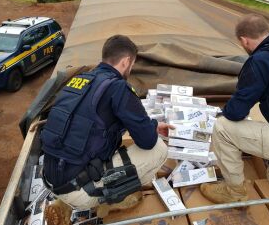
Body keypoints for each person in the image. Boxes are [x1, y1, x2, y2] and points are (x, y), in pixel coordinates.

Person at [41, 35, 173, 225]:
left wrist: (150, 125)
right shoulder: (118, 87)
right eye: (132, 64)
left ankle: (63, 204)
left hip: (53, 178)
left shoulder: (80, 81)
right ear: (127, 61)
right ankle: (112, 200)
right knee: (159, 149)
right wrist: (151, 128)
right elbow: (147, 140)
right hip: (80, 190)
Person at [200, 14, 269, 204]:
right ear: (268, 31)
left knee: (223, 128)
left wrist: (222, 113)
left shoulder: (261, 60)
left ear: (244, 40)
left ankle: (235, 193)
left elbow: (236, 112)